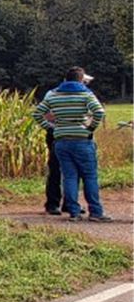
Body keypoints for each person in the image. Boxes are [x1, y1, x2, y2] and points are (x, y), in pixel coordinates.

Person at [32, 67, 111, 222]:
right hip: (82, 139)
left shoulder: (53, 94)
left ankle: (74, 212)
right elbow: (99, 112)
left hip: (61, 139)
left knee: (69, 176)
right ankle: (95, 212)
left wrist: (51, 127)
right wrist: (90, 128)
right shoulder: (85, 94)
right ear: (81, 80)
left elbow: (37, 113)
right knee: (89, 176)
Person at [41, 73, 95, 215]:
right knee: (55, 168)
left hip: (73, 133)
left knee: (72, 171)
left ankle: (70, 204)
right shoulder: (53, 94)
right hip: (59, 133)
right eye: (83, 81)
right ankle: (52, 203)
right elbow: (46, 114)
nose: (84, 84)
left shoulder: (85, 93)